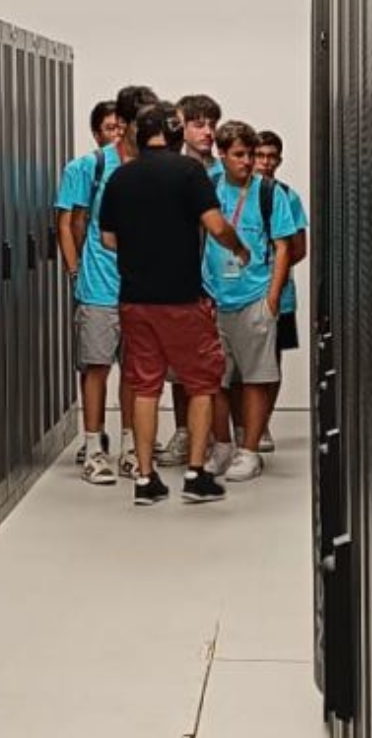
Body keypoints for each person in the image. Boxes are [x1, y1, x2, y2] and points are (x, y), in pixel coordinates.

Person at [100, 102, 248, 506]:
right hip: (182, 300)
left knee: (145, 386)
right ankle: (196, 475)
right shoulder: (189, 172)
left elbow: (108, 240)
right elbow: (216, 226)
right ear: (173, 132)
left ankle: (146, 480)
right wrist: (240, 246)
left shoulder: (120, 178)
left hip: (134, 300)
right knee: (201, 384)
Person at [55, 84, 160, 484]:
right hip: (100, 285)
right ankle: (95, 449)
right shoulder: (88, 167)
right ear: (129, 124)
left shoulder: (153, 167)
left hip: (143, 287)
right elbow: (71, 220)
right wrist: (74, 270)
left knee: (137, 372)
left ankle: (132, 448)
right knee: (96, 367)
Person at [203, 120, 301, 481]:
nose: (247, 162)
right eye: (239, 155)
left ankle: (249, 451)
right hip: (214, 298)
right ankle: (223, 445)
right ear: (222, 155)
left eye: (250, 154)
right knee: (215, 379)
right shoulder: (210, 187)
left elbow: (283, 246)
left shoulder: (270, 193)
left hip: (254, 297)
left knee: (257, 377)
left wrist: (272, 299)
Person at [157, 92, 227, 467]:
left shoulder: (224, 173)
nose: (209, 132)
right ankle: (184, 432)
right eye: (199, 124)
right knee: (180, 364)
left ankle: (220, 437)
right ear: (180, 128)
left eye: (213, 124)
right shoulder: (171, 171)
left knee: (217, 365)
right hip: (181, 280)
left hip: (220, 281)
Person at [253, 130, 308, 453]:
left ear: (280, 160)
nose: (265, 162)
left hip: (280, 294)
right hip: (239, 294)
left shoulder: (288, 196)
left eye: (271, 157)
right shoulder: (233, 194)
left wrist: (274, 272)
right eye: (259, 155)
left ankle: (263, 425)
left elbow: (298, 248)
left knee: (271, 361)